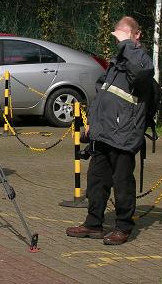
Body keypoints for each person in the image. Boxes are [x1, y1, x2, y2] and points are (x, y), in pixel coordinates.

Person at [66, 16, 154, 245]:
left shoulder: (141, 58)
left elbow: (141, 74)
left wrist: (128, 44)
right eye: (119, 36)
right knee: (96, 180)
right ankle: (93, 223)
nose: (119, 42)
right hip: (104, 133)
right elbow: (102, 95)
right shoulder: (116, 64)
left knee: (122, 183)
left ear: (137, 35)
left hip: (124, 134)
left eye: (124, 36)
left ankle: (123, 227)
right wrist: (91, 125)